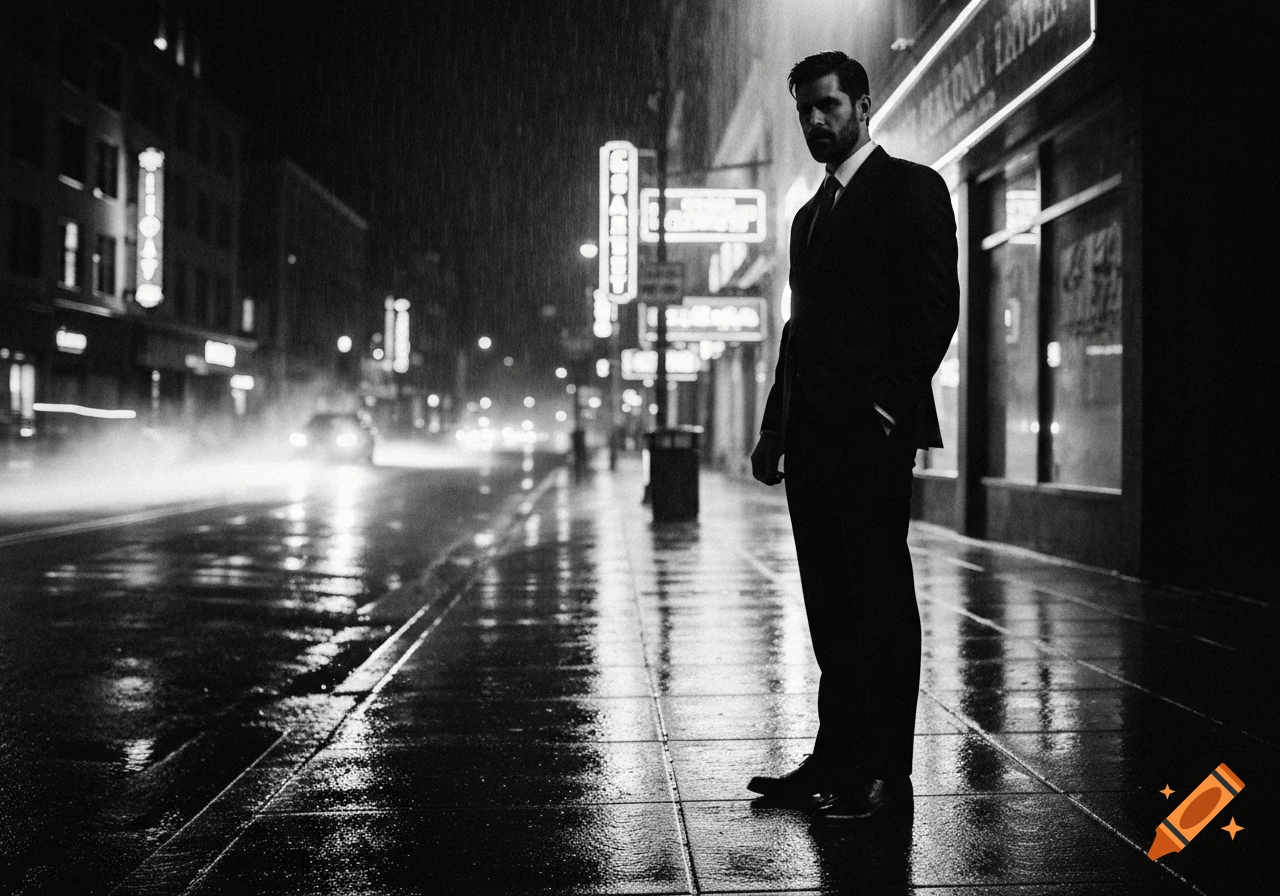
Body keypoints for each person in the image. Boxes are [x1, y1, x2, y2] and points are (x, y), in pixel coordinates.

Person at [749, 51, 959, 826]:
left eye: (828, 106)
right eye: (805, 109)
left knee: (878, 602)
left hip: (870, 435)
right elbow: (797, 333)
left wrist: (887, 407)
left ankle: (885, 778)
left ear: (864, 105)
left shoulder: (912, 188)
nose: (814, 121)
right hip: (810, 437)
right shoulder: (808, 216)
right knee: (829, 603)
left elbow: (936, 305)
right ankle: (835, 758)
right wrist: (776, 426)